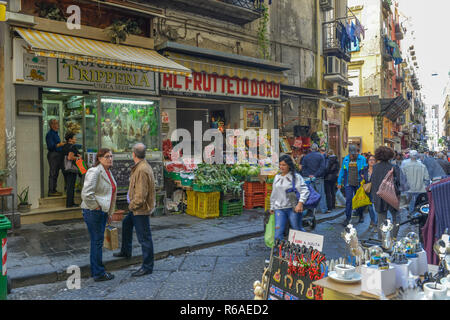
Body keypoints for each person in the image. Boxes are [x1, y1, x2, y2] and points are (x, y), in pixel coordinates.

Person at [114, 143, 156, 277]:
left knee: (144, 237)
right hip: (136, 209)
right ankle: (126, 251)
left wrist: (131, 205)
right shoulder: (141, 166)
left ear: (133, 154)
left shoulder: (142, 169)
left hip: (140, 209)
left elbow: (141, 195)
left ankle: (147, 266)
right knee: (126, 224)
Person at [81, 148, 116, 282]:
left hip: (101, 212)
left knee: (97, 242)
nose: (110, 159)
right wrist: (96, 206)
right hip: (93, 212)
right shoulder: (95, 171)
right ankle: (98, 273)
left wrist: (109, 212)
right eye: (107, 157)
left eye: (111, 156)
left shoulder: (108, 172)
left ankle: (96, 270)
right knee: (97, 242)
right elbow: (86, 193)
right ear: (99, 158)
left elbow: (110, 194)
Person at [270, 155, 310, 240]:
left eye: (284, 165)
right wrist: (272, 206)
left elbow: (305, 190)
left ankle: (307, 245)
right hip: (279, 209)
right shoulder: (277, 177)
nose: (281, 167)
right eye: (280, 165)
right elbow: (274, 193)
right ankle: (280, 252)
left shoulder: (296, 177)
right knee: (277, 233)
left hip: (293, 208)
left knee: (297, 229)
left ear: (289, 165)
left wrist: (300, 203)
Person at [370, 146, 401, 240]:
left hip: (379, 196)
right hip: (392, 196)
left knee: (381, 220)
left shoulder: (374, 168)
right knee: (396, 217)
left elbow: (373, 182)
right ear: (390, 156)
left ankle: (381, 240)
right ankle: (393, 237)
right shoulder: (393, 167)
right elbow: (399, 182)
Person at [337, 145, 367, 226]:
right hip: (348, 183)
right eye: (351, 153)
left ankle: (361, 215)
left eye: (354, 153)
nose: (353, 155)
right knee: (349, 200)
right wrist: (339, 182)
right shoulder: (346, 159)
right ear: (349, 152)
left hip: (359, 183)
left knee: (359, 201)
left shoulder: (362, 159)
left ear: (357, 152)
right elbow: (342, 171)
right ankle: (348, 218)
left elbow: (365, 171)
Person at [300, 143, 327, 214]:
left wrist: (309, 175)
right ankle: (322, 209)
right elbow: (322, 168)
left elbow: (303, 169)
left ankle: (312, 210)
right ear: (317, 149)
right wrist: (315, 175)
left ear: (310, 149)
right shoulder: (321, 156)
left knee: (311, 194)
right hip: (318, 178)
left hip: (308, 178)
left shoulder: (306, 157)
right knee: (321, 193)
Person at [401, 150, 430, 214]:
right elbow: (427, 178)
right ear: (417, 156)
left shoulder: (405, 166)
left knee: (411, 202)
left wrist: (404, 187)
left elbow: (403, 178)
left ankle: (412, 214)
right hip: (420, 188)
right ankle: (418, 214)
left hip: (409, 188)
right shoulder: (422, 166)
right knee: (420, 202)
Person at [46, 119, 65, 196]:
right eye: (55, 123)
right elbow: (50, 146)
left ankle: (54, 190)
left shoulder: (56, 133)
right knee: (53, 173)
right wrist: (60, 144)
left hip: (58, 155)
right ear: (51, 125)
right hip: (53, 155)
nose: (57, 125)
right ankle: (51, 191)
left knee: (56, 173)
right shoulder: (50, 134)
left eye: (57, 123)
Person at [62, 132, 81, 208]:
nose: (75, 139)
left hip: (65, 168)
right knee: (71, 186)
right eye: (74, 137)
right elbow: (70, 157)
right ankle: (70, 204)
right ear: (70, 139)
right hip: (71, 169)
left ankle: (70, 203)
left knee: (69, 186)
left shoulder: (64, 146)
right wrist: (78, 158)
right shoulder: (72, 146)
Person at [360, 155, 378, 231]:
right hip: (367, 190)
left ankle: (375, 224)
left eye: (373, 159)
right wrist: (362, 177)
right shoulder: (365, 169)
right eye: (370, 160)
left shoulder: (377, 169)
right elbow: (360, 175)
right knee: (370, 208)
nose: (371, 161)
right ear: (367, 161)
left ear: (375, 161)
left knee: (375, 208)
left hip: (376, 190)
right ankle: (373, 221)